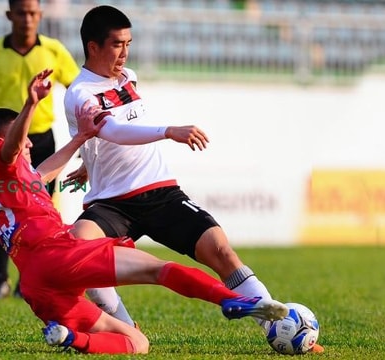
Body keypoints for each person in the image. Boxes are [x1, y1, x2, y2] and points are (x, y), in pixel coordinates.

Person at [62, 5, 324, 354]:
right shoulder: (79, 93)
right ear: (92, 47)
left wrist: (89, 162)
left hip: (160, 193)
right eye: (116, 45)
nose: (125, 53)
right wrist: (168, 131)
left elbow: (112, 133)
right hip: (111, 203)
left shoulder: (129, 76)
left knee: (221, 251)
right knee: (80, 254)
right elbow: (112, 130)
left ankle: (277, 324)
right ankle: (126, 332)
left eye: (129, 43)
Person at [0, 68, 289, 355]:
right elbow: (12, 146)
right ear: (2, 141)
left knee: (137, 343)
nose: (28, 142)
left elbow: (41, 174)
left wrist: (81, 138)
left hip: (36, 284)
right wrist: (30, 106)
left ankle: (69, 338)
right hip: (57, 255)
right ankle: (230, 299)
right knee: (158, 270)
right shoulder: (1, 157)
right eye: (23, 134)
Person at [0, 0, 80, 300]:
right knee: (4, 208)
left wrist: (83, 134)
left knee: (41, 207)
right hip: (2, 142)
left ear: (40, 15)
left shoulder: (53, 50)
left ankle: (30, 276)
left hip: (39, 140)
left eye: (32, 13)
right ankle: (1, 277)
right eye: (21, 12)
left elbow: (77, 89)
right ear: (9, 15)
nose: (27, 19)